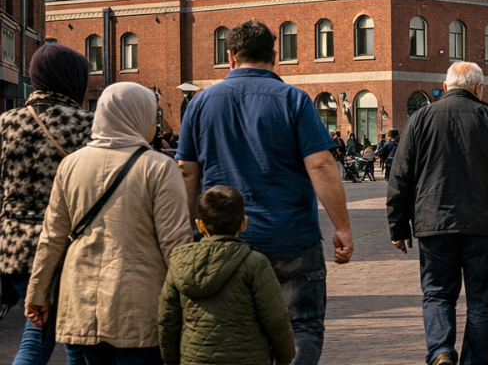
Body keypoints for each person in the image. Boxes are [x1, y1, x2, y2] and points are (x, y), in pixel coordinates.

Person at [177, 20, 352, 365]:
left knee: (237, 331)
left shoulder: (201, 103)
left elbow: (187, 173)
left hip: (226, 240)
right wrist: (342, 227)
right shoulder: (294, 100)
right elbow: (320, 165)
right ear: (275, 55)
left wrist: (190, 230)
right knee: (301, 325)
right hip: (291, 237)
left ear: (230, 56)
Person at [26, 82, 192, 365]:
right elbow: (175, 244)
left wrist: (37, 294)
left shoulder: (71, 164)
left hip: (81, 300)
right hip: (140, 305)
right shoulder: (159, 167)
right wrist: (191, 301)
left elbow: (52, 236)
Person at [388, 62, 488, 365]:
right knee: (482, 302)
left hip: (433, 224)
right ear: (479, 88)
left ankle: (441, 350)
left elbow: (401, 175)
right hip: (485, 225)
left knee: (437, 294)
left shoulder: (420, 119)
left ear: (445, 87)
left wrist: (398, 227)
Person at [0, 44, 95, 365]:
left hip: (14, 249)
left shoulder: (6, 123)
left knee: (42, 330)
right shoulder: (87, 125)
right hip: (65, 248)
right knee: (69, 340)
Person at [159, 186, 295, 365]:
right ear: (243, 223)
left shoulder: (180, 262)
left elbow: (167, 319)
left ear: (200, 225)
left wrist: (171, 359)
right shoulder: (254, 263)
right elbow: (276, 318)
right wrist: (285, 357)